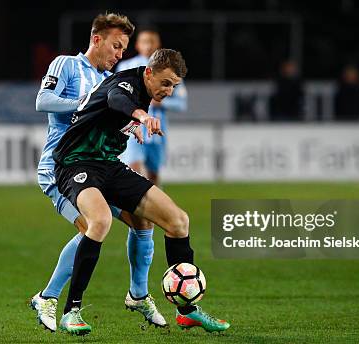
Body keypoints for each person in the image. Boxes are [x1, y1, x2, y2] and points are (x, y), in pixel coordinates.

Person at [53, 49, 230, 335]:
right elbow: (115, 98)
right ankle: (71, 311)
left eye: (174, 86)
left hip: (109, 165)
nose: (169, 91)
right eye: (166, 83)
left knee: (178, 221)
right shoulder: (126, 83)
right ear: (149, 72)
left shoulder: (146, 89)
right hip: (75, 163)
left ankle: (186, 310)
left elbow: (107, 111)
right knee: (100, 222)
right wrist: (140, 116)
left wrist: (132, 123)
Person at [29, 13, 167, 332]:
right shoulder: (66, 65)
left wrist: (130, 124)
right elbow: (42, 100)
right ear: (96, 40)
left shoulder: (110, 79)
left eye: (123, 49)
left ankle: (139, 294)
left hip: (96, 166)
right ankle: (47, 297)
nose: (120, 55)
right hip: (60, 167)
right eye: (116, 47)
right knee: (93, 227)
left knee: (142, 220)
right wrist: (88, 102)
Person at [116, 29, 187, 185]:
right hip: (133, 126)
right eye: (144, 42)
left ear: (158, 44)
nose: (148, 46)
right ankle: (134, 207)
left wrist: (161, 102)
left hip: (157, 130)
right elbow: (117, 97)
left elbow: (181, 104)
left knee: (153, 175)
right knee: (133, 170)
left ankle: (151, 207)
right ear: (137, 45)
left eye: (151, 42)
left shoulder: (172, 69)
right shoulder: (125, 66)